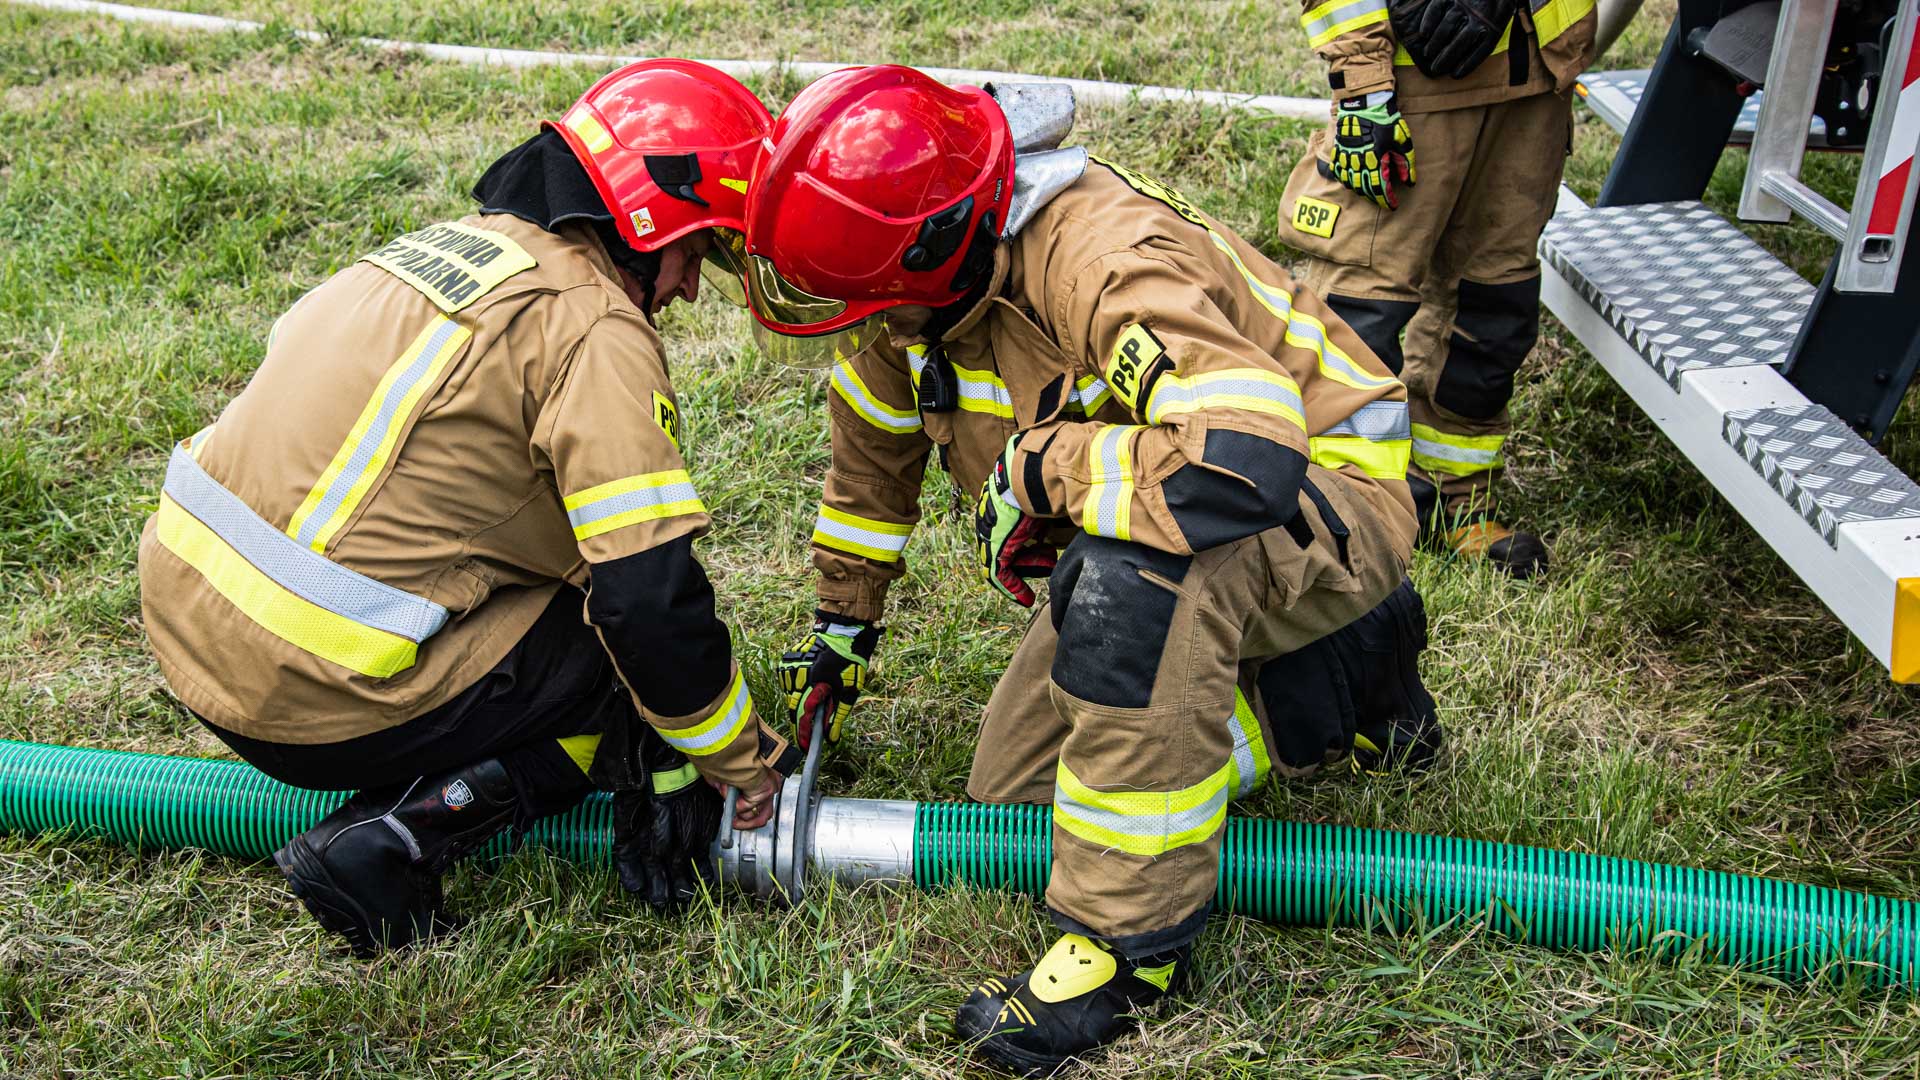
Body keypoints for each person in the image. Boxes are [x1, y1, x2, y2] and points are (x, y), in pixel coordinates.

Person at [746, 66, 1442, 1073]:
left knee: (1142, 575)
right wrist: (836, 646)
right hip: (1202, 505)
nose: (852, 313)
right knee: (1018, 799)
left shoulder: (1101, 255)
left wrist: (1045, 469)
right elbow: (869, 486)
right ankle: (1337, 684)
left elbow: (1239, 466)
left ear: (934, 246)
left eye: (862, 289)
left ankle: (1124, 949)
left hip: (1329, 489)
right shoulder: (913, 302)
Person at [136, 60, 796, 956]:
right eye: (696, 251)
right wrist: (741, 769)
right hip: (301, 692)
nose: (685, 287)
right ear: (646, 221)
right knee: (618, 661)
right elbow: (648, 601)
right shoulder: (594, 327)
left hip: (182, 624)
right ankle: (395, 837)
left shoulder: (446, 247)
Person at [1278, 0, 1598, 577]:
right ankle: (1331, 509)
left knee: (1493, 306)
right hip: (1413, 77)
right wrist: (1363, 84)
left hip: (1533, 77)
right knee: (1360, 312)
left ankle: (1456, 502)